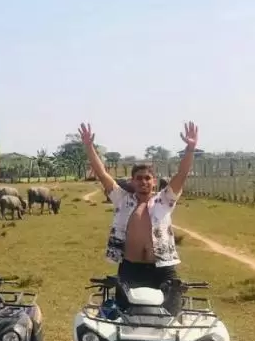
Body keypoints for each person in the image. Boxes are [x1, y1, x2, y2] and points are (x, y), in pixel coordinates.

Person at [80, 121, 199, 314]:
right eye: (139, 178)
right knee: (126, 319)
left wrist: (190, 148)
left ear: (154, 181)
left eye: (147, 178)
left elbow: (182, 174)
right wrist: (88, 146)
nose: (143, 182)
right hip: (130, 269)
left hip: (163, 268)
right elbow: (102, 174)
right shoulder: (122, 200)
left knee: (169, 319)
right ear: (132, 181)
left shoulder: (165, 199)